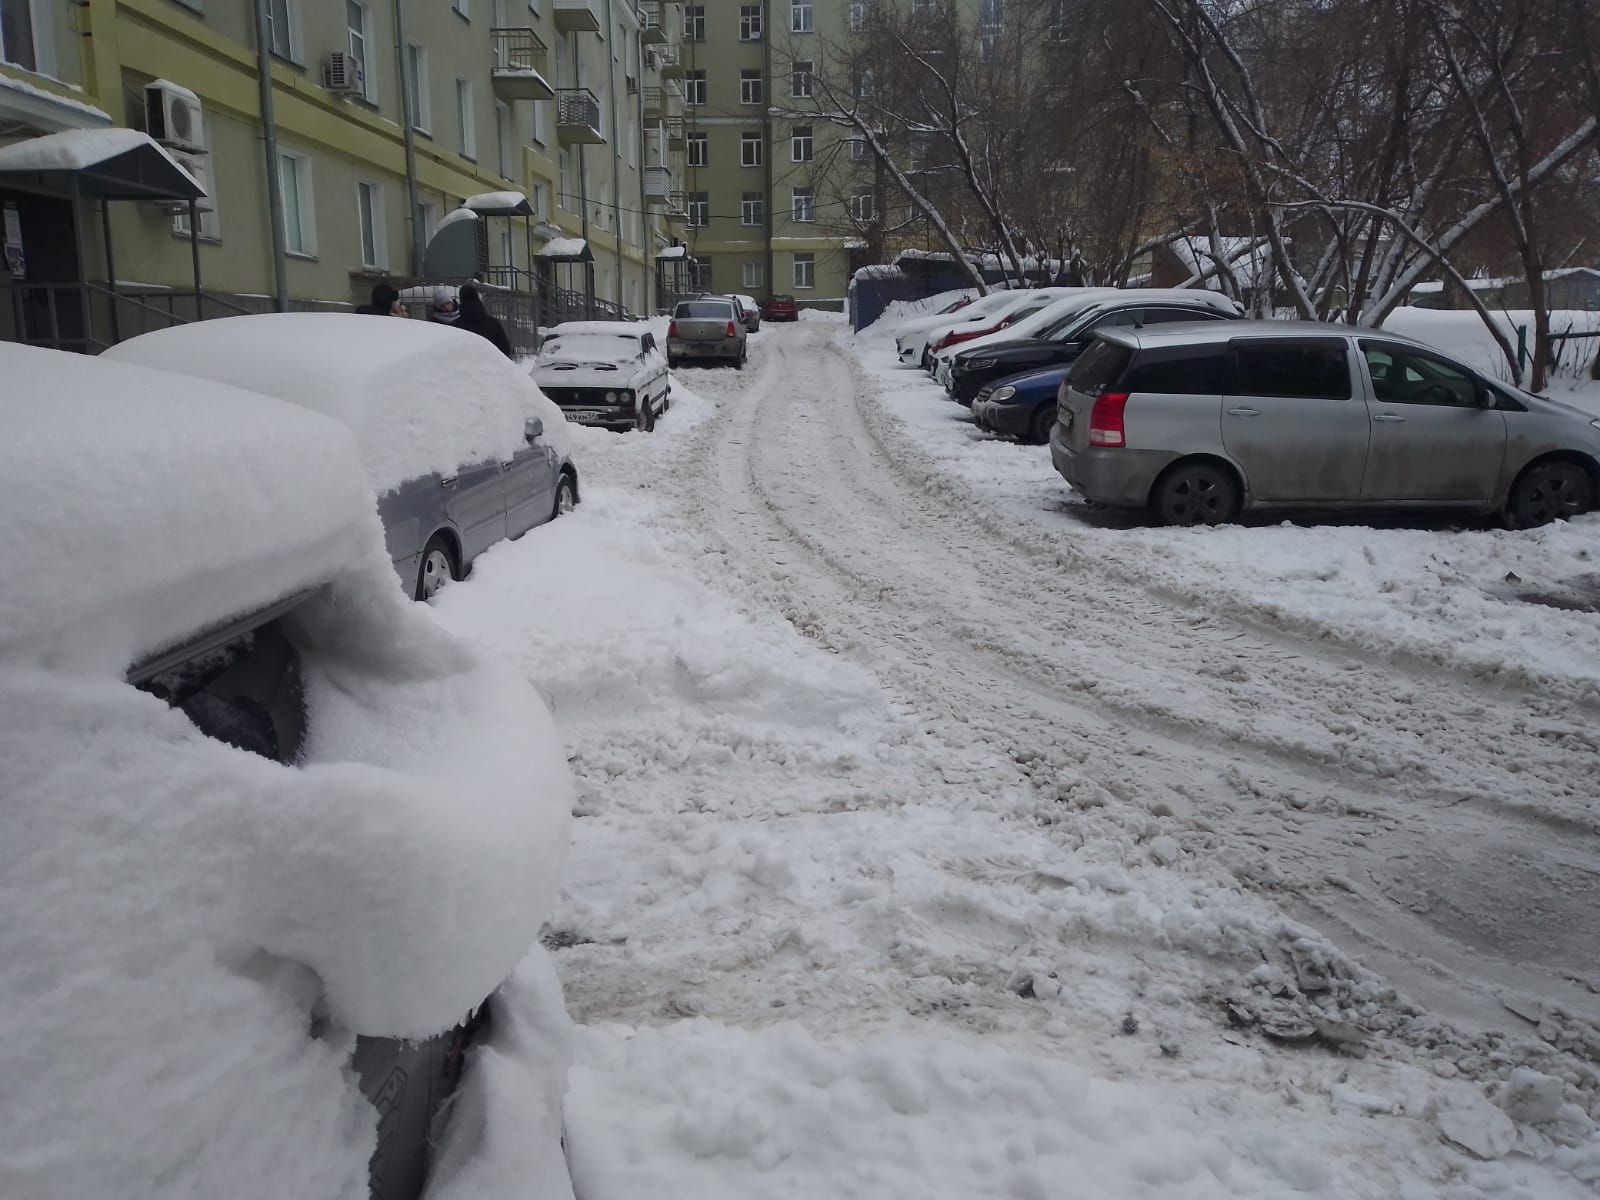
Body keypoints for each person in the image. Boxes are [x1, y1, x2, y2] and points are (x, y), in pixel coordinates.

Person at [455, 283, 512, 358]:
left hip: (465, 367)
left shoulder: (456, 327)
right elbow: (505, 350)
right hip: (490, 365)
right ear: (477, 297)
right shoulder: (493, 323)